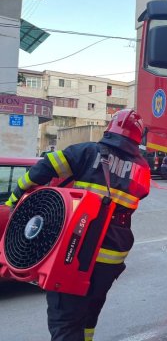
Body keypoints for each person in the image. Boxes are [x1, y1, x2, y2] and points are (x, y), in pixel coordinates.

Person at [6, 109, 151, 341]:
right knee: (90, 314)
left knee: (64, 320)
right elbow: (139, 195)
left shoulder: (86, 152)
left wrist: (16, 196)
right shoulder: (143, 169)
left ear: (110, 129)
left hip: (76, 252)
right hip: (112, 256)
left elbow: (44, 168)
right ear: (138, 137)